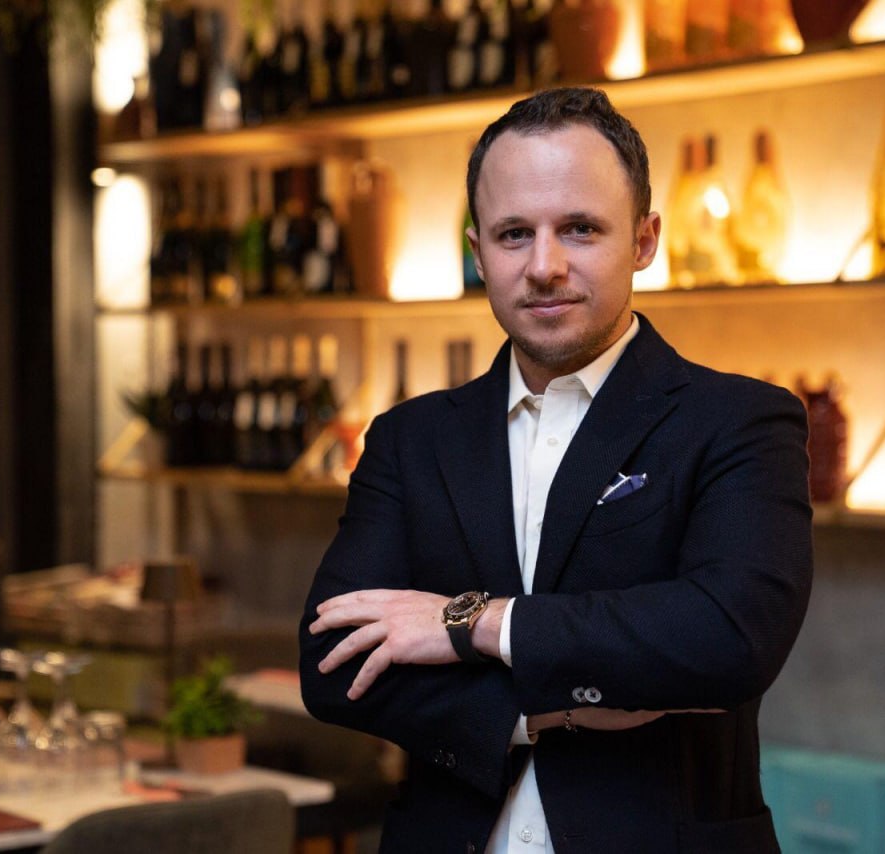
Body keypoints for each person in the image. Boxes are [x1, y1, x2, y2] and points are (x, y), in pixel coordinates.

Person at [299, 86, 812, 853]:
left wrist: (468, 624)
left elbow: (728, 638)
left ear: (644, 240)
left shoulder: (740, 422)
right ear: (477, 253)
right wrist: (543, 712)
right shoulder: (411, 440)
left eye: (580, 229)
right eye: (514, 234)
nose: (545, 266)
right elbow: (331, 663)